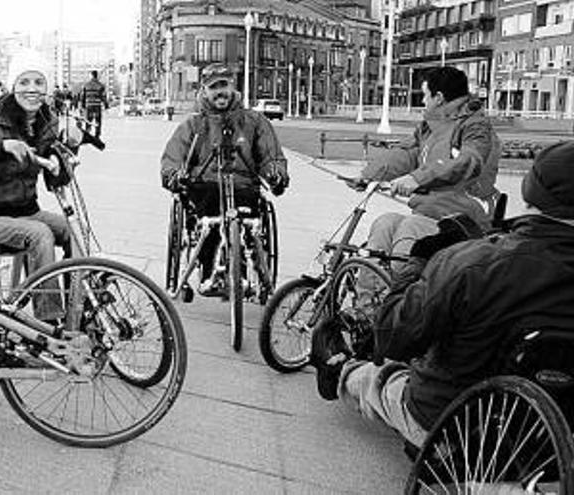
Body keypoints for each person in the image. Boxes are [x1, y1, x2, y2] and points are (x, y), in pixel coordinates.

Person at [311, 140, 574, 447]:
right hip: (554, 433)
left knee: (381, 379)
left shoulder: (473, 263)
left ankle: (340, 370)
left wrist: (418, 265)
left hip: (453, 420)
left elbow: (393, 337)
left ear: (531, 193)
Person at [351, 66, 500, 276]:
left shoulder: (476, 127)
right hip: (429, 215)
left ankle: (397, 299)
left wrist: (417, 179)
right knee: (385, 224)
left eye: (425, 95)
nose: (423, 101)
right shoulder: (429, 128)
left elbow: (469, 161)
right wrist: (367, 176)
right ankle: (367, 304)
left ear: (438, 97)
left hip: (464, 219)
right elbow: (407, 155)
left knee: (411, 229)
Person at [159, 63, 289, 296]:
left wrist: (276, 173)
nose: (220, 92)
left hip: (244, 185)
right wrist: (173, 175)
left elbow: (271, 155)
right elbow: (173, 156)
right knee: (208, 215)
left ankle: (243, 268)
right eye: (213, 87)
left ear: (233, 87)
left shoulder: (254, 122)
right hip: (205, 186)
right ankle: (209, 271)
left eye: (224, 86)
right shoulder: (193, 124)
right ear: (204, 91)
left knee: (248, 214)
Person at [0, 49, 71, 321]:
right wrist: (0, 150)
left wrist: (66, 153)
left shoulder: (47, 121)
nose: (32, 89)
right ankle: (49, 322)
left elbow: (53, 179)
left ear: (47, 88)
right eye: (24, 82)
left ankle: (76, 307)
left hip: (26, 210)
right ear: (13, 86)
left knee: (73, 231)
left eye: (39, 82)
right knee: (40, 234)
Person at [79, 70, 108, 138]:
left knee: (88, 120)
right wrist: (106, 104)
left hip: (89, 105)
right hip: (97, 105)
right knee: (98, 120)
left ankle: (87, 133)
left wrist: (82, 105)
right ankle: (97, 135)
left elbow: (83, 96)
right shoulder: (100, 85)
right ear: (96, 76)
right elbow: (103, 96)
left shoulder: (86, 85)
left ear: (91, 75)